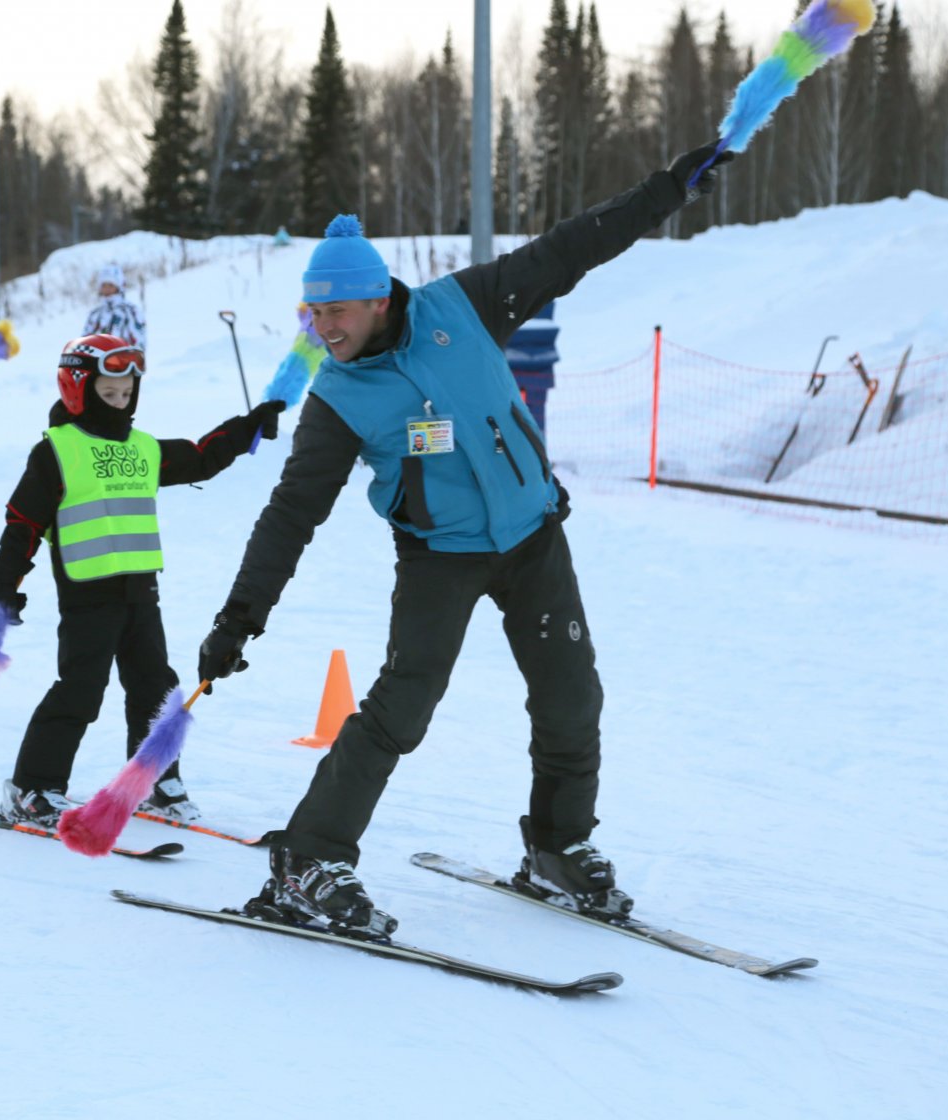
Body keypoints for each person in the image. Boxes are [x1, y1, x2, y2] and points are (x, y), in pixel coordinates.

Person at [195, 141, 737, 936]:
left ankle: (558, 847)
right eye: (313, 313)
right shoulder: (338, 396)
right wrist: (240, 617)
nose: (323, 328)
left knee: (572, 697)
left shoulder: (464, 305)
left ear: (379, 298)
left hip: (533, 536)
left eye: (336, 311)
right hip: (439, 556)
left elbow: (571, 248)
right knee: (401, 707)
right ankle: (309, 859)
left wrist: (665, 191)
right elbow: (291, 513)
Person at [0, 333, 286, 827]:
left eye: (127, 394)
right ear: (77, 390)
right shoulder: (57, 452)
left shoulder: (142, 449)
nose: (119, 403)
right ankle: (31, 788)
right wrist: (6, 585)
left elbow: (200, 456)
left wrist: (247, 426)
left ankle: (155, 781)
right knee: (80, 690)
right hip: (87, 596)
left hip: (141, 593)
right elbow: (22, 523)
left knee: (156, 687)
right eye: (109, 394)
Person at [81, 265, 146, 349]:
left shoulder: (131, 311)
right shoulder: (95, 314)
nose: (107, 289)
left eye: (110, 285)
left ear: (119, 286)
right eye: (104, 285)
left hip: (123, 359)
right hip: (96, 360)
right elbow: (84, 341)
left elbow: (139, 343)